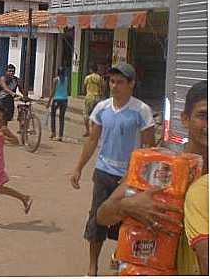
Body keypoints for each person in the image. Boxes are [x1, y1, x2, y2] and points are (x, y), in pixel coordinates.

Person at [96, 80, 208, 276]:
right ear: (184, 118)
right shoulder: (159, 166)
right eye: (203, 115)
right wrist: (127, 206)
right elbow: (103, 215)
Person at [69, 62, 156, 276]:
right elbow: (92, 140)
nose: (114, 86)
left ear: (131, 84)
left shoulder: (141, 111)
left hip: (130, 178)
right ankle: (93, 267)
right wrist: (78, 167)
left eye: (120, 82)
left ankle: (121, 258)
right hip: (103, 173)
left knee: (127, 222)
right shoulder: (102, 108)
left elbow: (148, 149)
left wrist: (133, 174)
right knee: (97, 219)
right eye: (112, 81)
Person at [47, 67, 69, 142]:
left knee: (53, 115)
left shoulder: (55, 80)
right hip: (65, 100)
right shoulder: (66, 79)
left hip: (57, 99)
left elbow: (53, 91)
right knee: (61, 118)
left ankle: (53, 133)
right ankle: (60, 136)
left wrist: (49, 102)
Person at [83, 64, 105, 137]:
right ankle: (94, 132)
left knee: (86, 114)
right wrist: (102, 95)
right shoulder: (99, 78)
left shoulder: (87, 77)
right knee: (95, 115)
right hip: (97, 97)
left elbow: (84, 86)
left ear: (91, 70)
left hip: (89, 97)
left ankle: (87, 131)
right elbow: (102, 87)